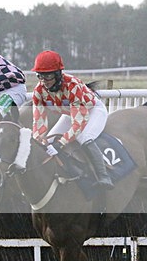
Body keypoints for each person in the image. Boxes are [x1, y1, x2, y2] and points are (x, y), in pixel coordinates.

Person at [31, 50, 113, 188]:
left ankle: (104, 176)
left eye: (48, 76)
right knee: (49, 140)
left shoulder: (72, 85)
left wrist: (61, 143)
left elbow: (79, 123)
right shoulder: (38, 91)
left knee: (84, 137)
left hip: (93, 111)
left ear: (57, 74)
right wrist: (39, 140)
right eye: (40, 76)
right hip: (70, 113)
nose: (44, 81)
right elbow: (39, 124)